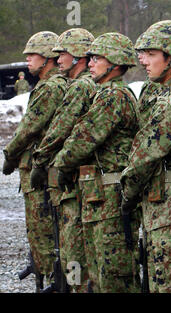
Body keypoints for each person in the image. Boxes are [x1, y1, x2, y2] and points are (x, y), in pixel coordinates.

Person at [52, 32, 140, 293]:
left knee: (113, 275)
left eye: (97, 58)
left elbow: (83, 138)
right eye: (89, 58)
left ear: (114, 62)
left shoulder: (114, 96)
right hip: (100, 195)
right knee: (100, 273)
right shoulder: (106, 93)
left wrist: (60, 166)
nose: (89, 63)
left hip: (111, 197)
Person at [120, 20, 171, 293]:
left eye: (152, 54)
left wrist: (127, 195)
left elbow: (144, 156)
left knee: (169, 284)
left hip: (169, 209)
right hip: (166, 205)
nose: (144, 61)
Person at [30, 28, 96, 293]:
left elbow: (59, 129)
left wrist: (40, 162)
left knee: (73, 249)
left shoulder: (81, 85)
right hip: (83, 177)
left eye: (63, 54)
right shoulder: (86, 84)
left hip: (74, 178)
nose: (58, 60)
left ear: (79, 55)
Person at [2, 31, 67, 290]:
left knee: (44, 235)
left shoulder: (51, 87)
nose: (27, 59)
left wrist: (9, 156)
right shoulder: (48, 85)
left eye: (33, 54)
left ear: (49, 57)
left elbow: (29, 128)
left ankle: (52, 281)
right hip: (41, 169)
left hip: (42, 171)